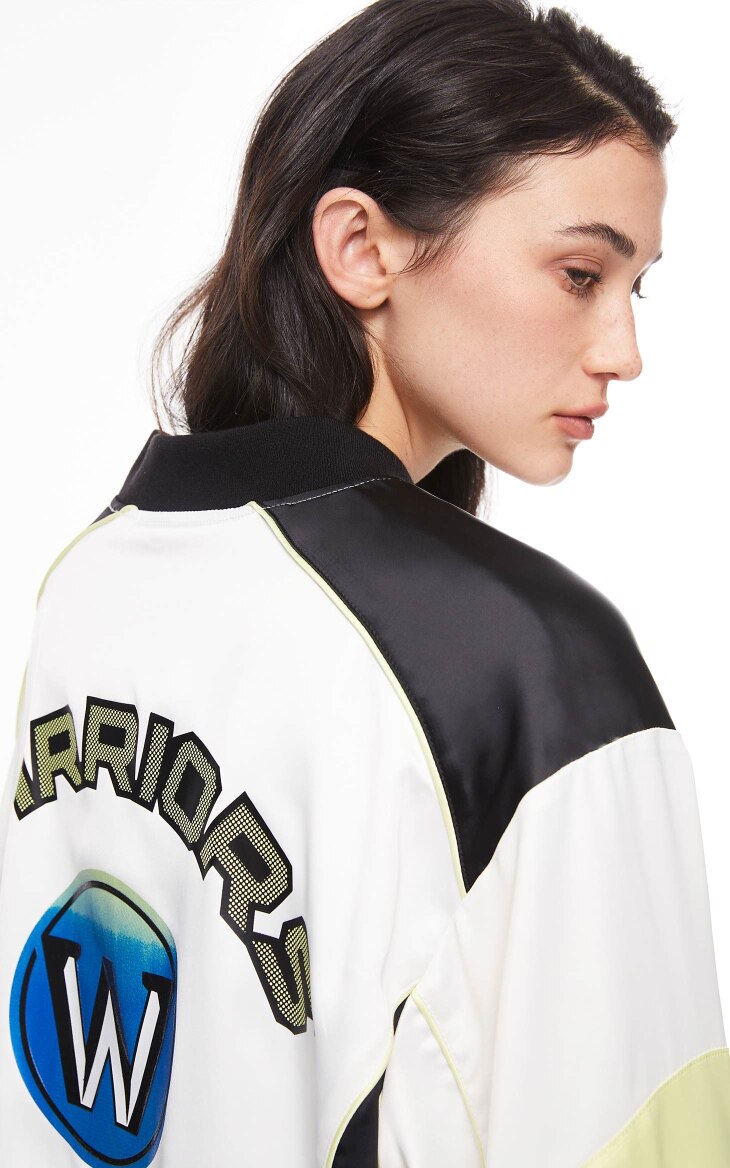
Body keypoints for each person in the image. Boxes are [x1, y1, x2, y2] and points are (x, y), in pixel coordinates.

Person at [1, 0, 728, 1164]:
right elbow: (636, 1135)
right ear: (361, 247)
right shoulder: (526, 660)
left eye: (633, 287)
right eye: (579, 272)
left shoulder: (94, 575)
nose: (622, 351)